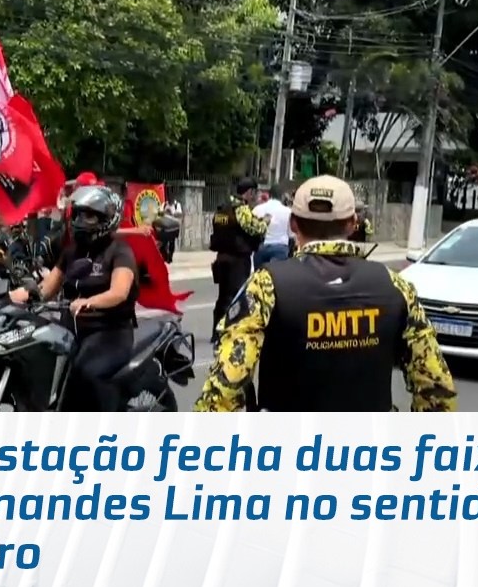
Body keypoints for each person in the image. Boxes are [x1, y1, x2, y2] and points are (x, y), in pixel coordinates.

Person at [195, 175, 458, 413]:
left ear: (294, 224)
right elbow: (435, 385)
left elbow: (225, 386)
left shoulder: (266, 286)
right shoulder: (395, 286)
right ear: (354, 223)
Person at [8, 185, 138, 412]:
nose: (80, 220)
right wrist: (16, 296)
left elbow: (120, 291)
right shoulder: (71, 251)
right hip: (72, 330)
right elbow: (46, 289)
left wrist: (89, 302)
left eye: (88, 215)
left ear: (106, 219)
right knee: (38, 362)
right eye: (78, 214)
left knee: (86, 373)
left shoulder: (119, 252)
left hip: (109, 332)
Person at [209, 178, 267, 343]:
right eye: (255, 193)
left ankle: (215, 331)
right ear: (249, 193)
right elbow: (255, 228)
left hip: (221, 258)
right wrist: (265, 222)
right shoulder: (241, 209)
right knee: (235, 296)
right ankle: (229, 331)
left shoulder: (222, 208)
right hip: (238, 259)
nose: (256, 197)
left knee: (222, 296)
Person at [252, 190, 292, 266]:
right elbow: (291, 233)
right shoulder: (288, 211)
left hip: (261, 246)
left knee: (259, 274)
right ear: (282, 196)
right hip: (281, 247)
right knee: (276, 275)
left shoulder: (258, 209)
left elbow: (252, 228)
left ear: (269, 195)